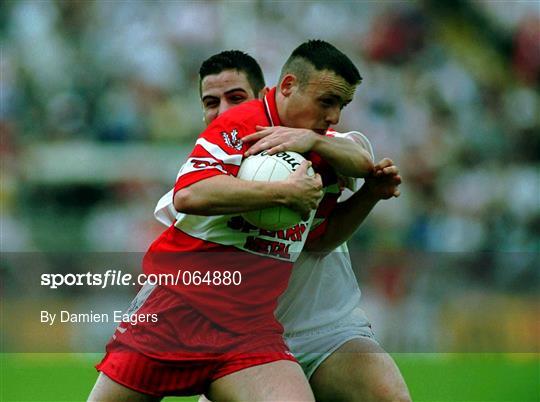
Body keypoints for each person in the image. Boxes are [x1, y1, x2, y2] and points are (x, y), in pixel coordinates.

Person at [88, 40, 373, 401]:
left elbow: (357, 175)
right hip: (176, 312)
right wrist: (282, 193)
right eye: (326, 102)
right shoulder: (242, 124)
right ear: (286, 86)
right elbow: (188, 195)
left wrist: (366, 186)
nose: (334, 116)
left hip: (249, 328)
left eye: (341, 105)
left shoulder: (322, 151)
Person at [158, 50, 410, 402]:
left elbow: (361, 164)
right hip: (240, 341)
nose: (226, 112)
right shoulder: (205, 180)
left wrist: (321, 147)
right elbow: (185, 203)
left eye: (236, 98)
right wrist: (279, 193)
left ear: (266, 97)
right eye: (211, 102)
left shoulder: (324, 146)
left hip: (325, 328)